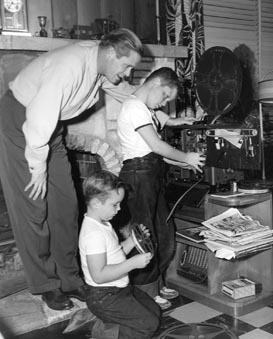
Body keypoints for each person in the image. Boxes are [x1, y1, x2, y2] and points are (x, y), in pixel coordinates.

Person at [0, 28, 143, 311]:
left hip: (51, 129)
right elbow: (36, 123)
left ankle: (69, 278)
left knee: (65, 205)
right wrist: (37, 166)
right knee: (33, 208)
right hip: (20, 123)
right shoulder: (70, 66)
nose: (127, 73)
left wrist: (156, 107)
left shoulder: (102, 63)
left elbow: (125, 91)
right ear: (112, 53)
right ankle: (46, 285)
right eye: (126, 66)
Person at [117, 67, 206, 309]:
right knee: (144, 234)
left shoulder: (148, 109)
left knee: (164, 231)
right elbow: (156, 145)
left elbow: (165, 120)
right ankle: (146, 290)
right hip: (137, 175)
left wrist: (183, 121)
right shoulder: (133, 107)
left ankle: (156, 280)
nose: (165, 102)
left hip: (151, 173)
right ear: (155, 83)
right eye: (166, 96)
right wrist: (186, 157)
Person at [79, 170, 161, 339]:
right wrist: (133, 264)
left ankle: (110, 323)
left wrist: (133, 240)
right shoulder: (93, 234)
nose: (119, 208)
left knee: (154, 311)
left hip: (119, 289)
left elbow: (115, 254)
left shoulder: (103, 224)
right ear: (96, 203)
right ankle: (103, 333)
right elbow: (99, 276)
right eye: (115, 204)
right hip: (104, 296)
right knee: (148, 325)